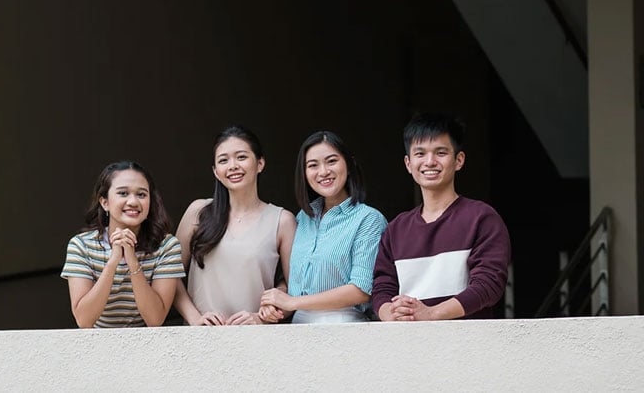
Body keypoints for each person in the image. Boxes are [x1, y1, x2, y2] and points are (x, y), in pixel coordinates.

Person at [373, 112, 510, 321]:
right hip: (408, 346)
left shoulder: (481, 218)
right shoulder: (396, 229)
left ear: (459, 160)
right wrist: (390, 315)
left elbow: (489, 285)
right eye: (420, 154)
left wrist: (432, 313)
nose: (430, 161)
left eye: (440, 152)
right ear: (408, 164)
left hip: (469, 346)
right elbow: (382, 288)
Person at [260, 131, 387, 323]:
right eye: (313, 165)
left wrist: (293, 302)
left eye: (331, 161)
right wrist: (276, 302)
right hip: (297, 331)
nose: (323, 171)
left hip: (345, 328)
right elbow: (292, 281)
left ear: (349, 164)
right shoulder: (302, 219)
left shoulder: (368, 219)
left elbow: (361, 290)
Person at [174, 126, 296, 325]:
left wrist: (260, 318)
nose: (232, 166)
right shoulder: (198, 211)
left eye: (241, 157)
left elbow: (293, 290)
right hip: (202, 338)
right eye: (223, 160)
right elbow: (169, 276)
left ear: (260, 163)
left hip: (256, 338)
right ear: (215, 171)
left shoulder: (282, 220)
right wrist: (195, 319)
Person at [61, 161, 185, 328]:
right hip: (97, 346)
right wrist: (113, 261)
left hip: (146, 345)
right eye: (123, 193)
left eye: (141, 195)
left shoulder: (167, 246)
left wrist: (132, 259)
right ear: (105, 202)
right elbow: (84, 320)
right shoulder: (81, 245)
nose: (133, 202)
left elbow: (155, 319)